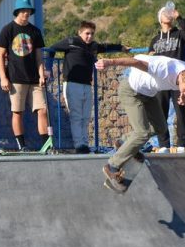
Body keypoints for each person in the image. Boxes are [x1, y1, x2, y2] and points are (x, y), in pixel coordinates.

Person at [95, 54, 185, 192]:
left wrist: (183, 96)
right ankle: (112, 166)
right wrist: (109, 61)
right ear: (182, 78)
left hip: (148, 94)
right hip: (131, 91)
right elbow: (135, 62)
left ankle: (124, 142)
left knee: (160, 128)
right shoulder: (164, 69)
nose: (184, 92)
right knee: (142, 133)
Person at [48, 21, 129, 153]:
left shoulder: (93, 46)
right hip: (72, 84)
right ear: (80, 33)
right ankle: (79, 144)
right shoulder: (71, 42)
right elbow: (51, 48)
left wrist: (121, 48)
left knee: (86, 116)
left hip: (86, 84)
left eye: (92, 34)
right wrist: (48, 68)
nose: (89, 36)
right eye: (87, 33)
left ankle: (85, 143)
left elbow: (106, 47)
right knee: (76, 115)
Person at [0, 0, 50, 152]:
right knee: (18, 111)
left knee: (42, 110)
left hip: (34, 78)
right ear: (17, 12)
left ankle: (46, 145)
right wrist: (3, 77)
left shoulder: (35, 31)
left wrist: (41, 75)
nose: (26, 13)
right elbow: (0, 56)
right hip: (15, 78)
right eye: (23, 10)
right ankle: (22, 145)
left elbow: (39, 57)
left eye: (28, 11)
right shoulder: (8, 30)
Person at [148, 4, 185, 153]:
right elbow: (150, 57)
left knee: (181, 111)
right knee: (160, 113)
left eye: (169, 13)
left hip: (176, 80)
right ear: (159, 19)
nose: (167, 15)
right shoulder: (155, 39)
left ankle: (181, 144)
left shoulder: (178, 35)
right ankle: (164, 145)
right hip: (160, 81)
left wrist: (178, 17)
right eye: (164, 13)